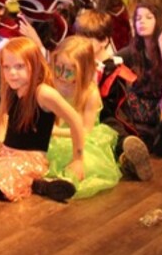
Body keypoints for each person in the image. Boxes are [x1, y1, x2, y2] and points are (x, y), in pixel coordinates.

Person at [0, 37, 85, 204]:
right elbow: (3, 117)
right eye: (6, 67)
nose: (12, 73)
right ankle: (37, 185)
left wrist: (78, 159)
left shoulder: (43, 93)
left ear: (34, 65)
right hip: (7, 153)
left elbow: (75, 121)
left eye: (19, 66)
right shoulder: (10, 89)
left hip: (29, 159)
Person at [72, 9, 154, 181]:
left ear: (104, 41)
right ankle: (127, 159)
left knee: (113, 134)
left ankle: (129, 156)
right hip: (79, 112)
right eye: (79, 38)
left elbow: (109, 104)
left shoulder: (111, 67)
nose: (81, 44)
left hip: (105, 114)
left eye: (87, 39)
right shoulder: (78, 61)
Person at [46, 36, 126, 198]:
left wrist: (54, 132)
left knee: (81, 162)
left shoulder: (89, 93)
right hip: (51, 136)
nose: (62, 75)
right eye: (58, 68)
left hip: (80, 139)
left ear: (83, 70)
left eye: (69, 71)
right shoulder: (50, 83)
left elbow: (85, 130)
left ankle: (66, 183)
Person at [115, 3, 162, 159]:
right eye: (138, 18)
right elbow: (110, 63)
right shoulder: (132, 51)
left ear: (160, 21)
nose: (142, 21)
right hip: (137, 107)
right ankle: (144, 136)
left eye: (149, 17)